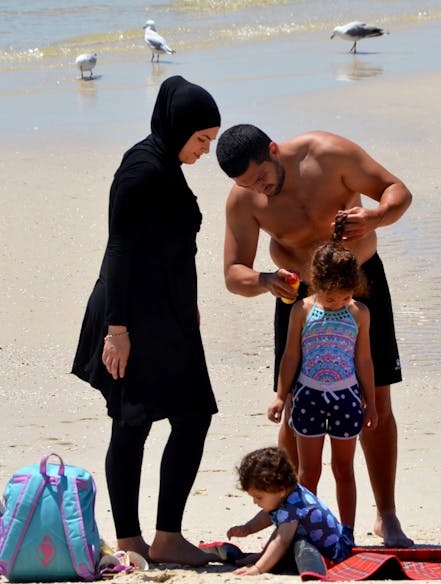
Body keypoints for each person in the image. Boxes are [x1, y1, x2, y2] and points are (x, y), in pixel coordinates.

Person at [216, 124, 414, 547]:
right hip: (298, 296)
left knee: (375, 397)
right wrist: (266, 280)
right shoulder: (244, 198)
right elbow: (234, 272)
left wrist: (376, 216)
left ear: (273, 150)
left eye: (261, 178)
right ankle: (295, 518)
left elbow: (397, 190)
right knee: (293, 402)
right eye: (248, 185)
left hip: (359, 285)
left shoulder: (329, 154)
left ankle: (386, 515)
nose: (260, 191)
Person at [71, 75, 222, 566]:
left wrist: (190, 303)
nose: (204, 151)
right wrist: (117, 331)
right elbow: (119, 250)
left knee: (193, 415)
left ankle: (167, 537)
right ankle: (130, 540)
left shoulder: (168, 166)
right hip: (132, 316)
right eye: (201, 140)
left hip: (172, 314)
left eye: (210, 141)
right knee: (131, 423)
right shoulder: (140, 170)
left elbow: (177, 248)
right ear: (177, 127)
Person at [268, 213, 377, 533]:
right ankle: (308, 531)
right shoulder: (301, 310)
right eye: (332, 297)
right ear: (316, 284)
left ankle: (346, 533)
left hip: (346, 398)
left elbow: (365, 361)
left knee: (344, 469)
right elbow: (290, 355)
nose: (339, 303)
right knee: (308, 471)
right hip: (308, 397)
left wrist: (370, 403)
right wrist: (279, 397)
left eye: (345, 296)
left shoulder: (359, 313)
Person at [227, 447, 353, 576]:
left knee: (288, 549)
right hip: (314, 541)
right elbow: (267, 515)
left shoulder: (293, 506)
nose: (255, 502)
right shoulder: (285, 493)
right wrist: (248, 528)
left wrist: (258, 568)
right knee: (282, 542)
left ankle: (267, 558)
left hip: (330, 552)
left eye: (259, 497)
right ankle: (265, 555)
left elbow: (282, 541)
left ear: (281, 490)